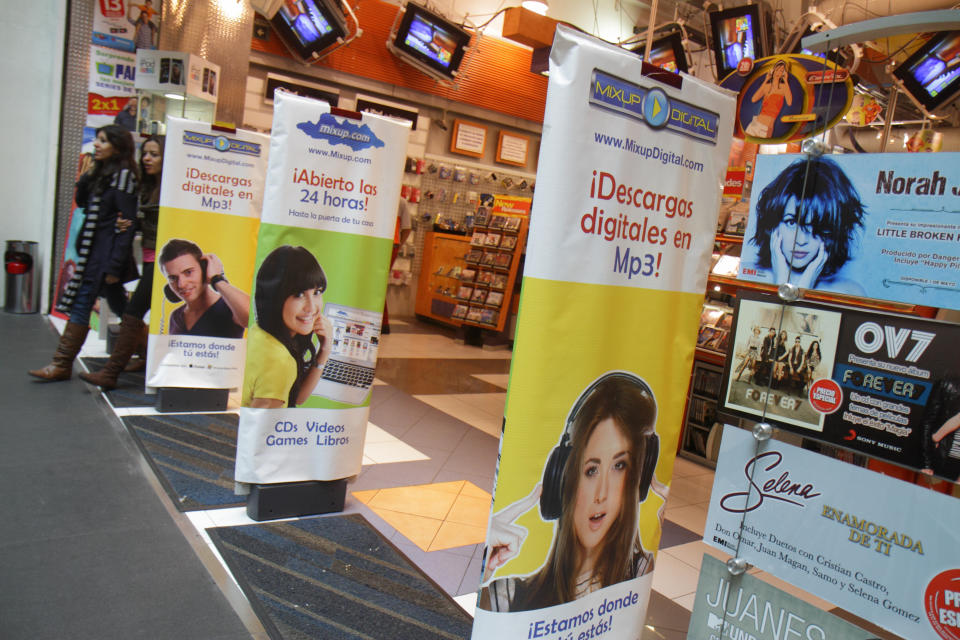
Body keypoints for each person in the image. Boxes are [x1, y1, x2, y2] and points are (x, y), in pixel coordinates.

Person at [478, 372, 658, 612]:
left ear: (638, 476)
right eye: (591, 470)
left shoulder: (639, 572)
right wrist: (486, 569)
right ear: (561, 480)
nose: (602, 494)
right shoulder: (506, 597)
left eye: (619, 466)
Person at [31, 125, 139, 381]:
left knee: (82, 304)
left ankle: (62, 363)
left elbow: (128, 224)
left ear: (118, 146)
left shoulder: (124, 177)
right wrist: (86, 176)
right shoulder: (101, 173)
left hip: (105, 256)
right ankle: (145, 352)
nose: (97, 145)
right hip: (93, 253)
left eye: (104, 141)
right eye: (97, 140)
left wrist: (114, 266)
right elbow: (82, 203)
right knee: (122, 308)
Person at [80, 135, 164, 389]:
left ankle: (111, 373)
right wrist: (127, 223)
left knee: (132, 312)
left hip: (163, 260)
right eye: (145, 153)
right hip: (150, 257)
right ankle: (144, 355)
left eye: (154, 154)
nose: (147, 158)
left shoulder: (170, 189)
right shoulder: (147, 186)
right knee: (132, 311)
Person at [745, 156, 866, 295]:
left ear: (832, 231)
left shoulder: (849, 291)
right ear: (773, 225)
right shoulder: (748, 276)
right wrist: (780, 281)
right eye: (791, 222)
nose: (801, 240)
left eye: (815, 226)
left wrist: (803, 288)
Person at [242, 246, 333, 408]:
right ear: (275, 297)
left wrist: (324, 351)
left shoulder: (260, 331)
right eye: (299, 295)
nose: (311, 307)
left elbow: (296, 397)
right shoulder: (280, 361)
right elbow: (264, 430)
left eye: (317, 292)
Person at [159, 239, 249, 338]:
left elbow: (252, 317)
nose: (181, 284)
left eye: (188, 272)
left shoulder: (229, 307)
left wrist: (217, 279)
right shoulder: (176, 317)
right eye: (173, 278)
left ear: (204, 268)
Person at [381, 199, 412, 334]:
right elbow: (407, 228)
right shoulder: (400, 201)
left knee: (378, 283)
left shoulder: (400, 202)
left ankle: (384, 322)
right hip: (387, 244)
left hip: (388, 245)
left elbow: (406, 228)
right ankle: (383, 322)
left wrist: (398, 245)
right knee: (378, 283)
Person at [921, 376, 960, 482]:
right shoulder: (947, 384)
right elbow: (928, 422)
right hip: (946, 458)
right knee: (932, 486)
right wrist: (927, 464)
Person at [745, 60, 793, 139]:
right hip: (756, 124)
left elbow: (789, 102)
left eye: (781, 71)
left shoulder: (784, 88)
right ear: (773, 71)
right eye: (777, 70)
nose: (778, 72)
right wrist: (766, 80)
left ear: (784, 74)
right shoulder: (767, 86)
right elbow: (754, 99)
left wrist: (786, 82)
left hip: (768, 127)